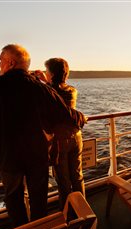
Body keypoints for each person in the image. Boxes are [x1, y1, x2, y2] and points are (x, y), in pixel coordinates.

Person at [0, 44, 86, 227]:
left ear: (10, 62)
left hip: (7, 157)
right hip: (37, 156)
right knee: (38, 199)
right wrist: (81, 117)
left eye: (1, 59)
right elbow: (66, 116)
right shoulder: (41, 89)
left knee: (13, 198)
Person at [35, 58, 84, 209]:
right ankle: (83, 208)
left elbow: (52, 96)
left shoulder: (48, 92)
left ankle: (68, 213)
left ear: (52, 74)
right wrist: (46, 81)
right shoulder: (72, 91)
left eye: (47, 71)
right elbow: (57, 93)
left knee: (63, 181)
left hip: (59, 142)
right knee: (77, 177)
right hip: (76, 137)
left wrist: (41, 82)